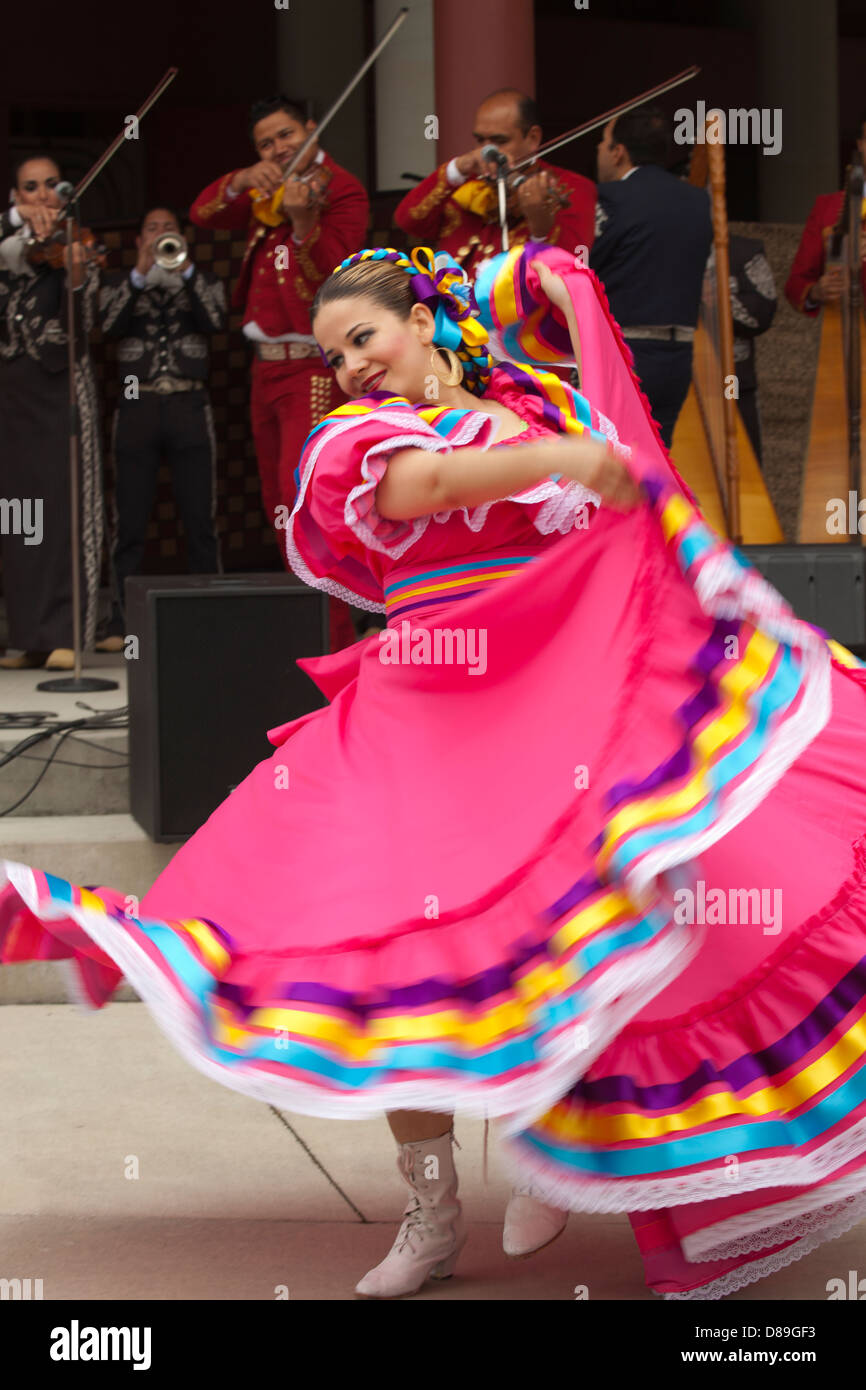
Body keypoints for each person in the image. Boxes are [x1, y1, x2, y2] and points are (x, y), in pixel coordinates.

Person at [3, 242, 866, 1304]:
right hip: (424, 715)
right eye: (332, 353)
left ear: (423, 321)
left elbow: (552, 318)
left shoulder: (527, 402)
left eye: (363, 337)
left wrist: (550, 277)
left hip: (553, 708)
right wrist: (560, 460)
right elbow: (425, 488)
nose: (350, 365)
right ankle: (432, 1209)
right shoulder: (354, 442)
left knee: (595, 925)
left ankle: (564, 1148)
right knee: (391, 955)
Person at [190, 95, 369, 649]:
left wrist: (303, 219)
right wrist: (245, 178)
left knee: (310, 505)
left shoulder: (341, 188)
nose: (279, 149)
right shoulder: (265, 189)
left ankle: (333, 640)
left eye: (287, 135)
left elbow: (329, 279)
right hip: (265, 371)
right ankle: (304, 626)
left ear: (312, 129)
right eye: (266, 143)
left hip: (311, 370)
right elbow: (203, 214)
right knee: (277, 503)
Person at [95, 207, 227, 647]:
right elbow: (107, 326)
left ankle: (211, 610)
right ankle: (118, 620)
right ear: (138, 240)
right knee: (128, 518)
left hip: (190, 401)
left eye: (168, 229)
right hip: (138, 402)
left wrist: (185, 270)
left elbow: (216, 319)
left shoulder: (203, 280)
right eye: (152, 229)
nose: (160, 236)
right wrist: (139, 275)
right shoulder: (118, 283)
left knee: (199, 515)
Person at [0, 154, 103, 670]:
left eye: (48, 186)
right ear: (15, 197)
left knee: (64, 510)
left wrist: (76, 269)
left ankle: (67, 632)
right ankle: (26, 634)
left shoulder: (75, 243)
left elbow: (86, 324)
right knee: (19, 516)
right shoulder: (8, 244)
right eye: (28, 188)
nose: (41, 195)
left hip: (59, 390)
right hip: (11, 397)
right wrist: (16, 239)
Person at [590, 104, 712, 447]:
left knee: (611, 466)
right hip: (678, 356)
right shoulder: (697, 201)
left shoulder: (611, 198)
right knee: (657, 463)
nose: (598, 150)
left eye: (602, 142)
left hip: (626, 356)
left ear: (618, 153)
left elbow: (582, 266)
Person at [394, 89, 595, 281]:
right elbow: (409, 221)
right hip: (449, 311)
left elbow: (570, 271)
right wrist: (457, 168)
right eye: (480, 140)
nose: (486, 152)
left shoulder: (571, 187)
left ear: (533, 138)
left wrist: (541, 229)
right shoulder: (467, 181)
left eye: (499, 141)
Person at [784, 113, 866, 316]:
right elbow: (796, 283)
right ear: (860, 145)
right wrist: (816, 291)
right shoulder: (828, 207)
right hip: (844, 331)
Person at [726, 232, 777, 466]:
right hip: (671, 375)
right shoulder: (659, 248)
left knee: (746, 465)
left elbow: (761, 315)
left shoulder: (744, 251)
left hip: (733, 381)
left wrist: (718, 297)